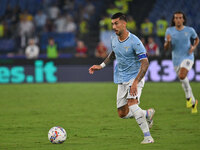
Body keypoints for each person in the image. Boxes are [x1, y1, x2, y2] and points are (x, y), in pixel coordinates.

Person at [89, 12, 155, 144]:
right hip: (121, 78)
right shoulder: (114, 39)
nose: (113, 26)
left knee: (132, 103)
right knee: (122, 113)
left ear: (124, 24)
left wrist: (136, 82)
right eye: (112, 23)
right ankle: (146, 114)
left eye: (116, 23)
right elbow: (113, 53)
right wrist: (101, 65)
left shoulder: (135, 41)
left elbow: (145, 63)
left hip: (135, 77)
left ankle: (148, 137)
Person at [164, 11, 199, 113]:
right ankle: (193, 103)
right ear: (174, 20)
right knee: (184, 82)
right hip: (176, 60)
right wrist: (168, 42)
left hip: (188, 57)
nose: (178, 20)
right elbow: (166, 48)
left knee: (183, 76)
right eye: (176, 18)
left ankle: (188, 98)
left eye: (180, 18)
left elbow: (197, 39)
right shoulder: (169, 31)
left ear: (183, 19)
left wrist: (194, 47)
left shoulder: (189, 30)